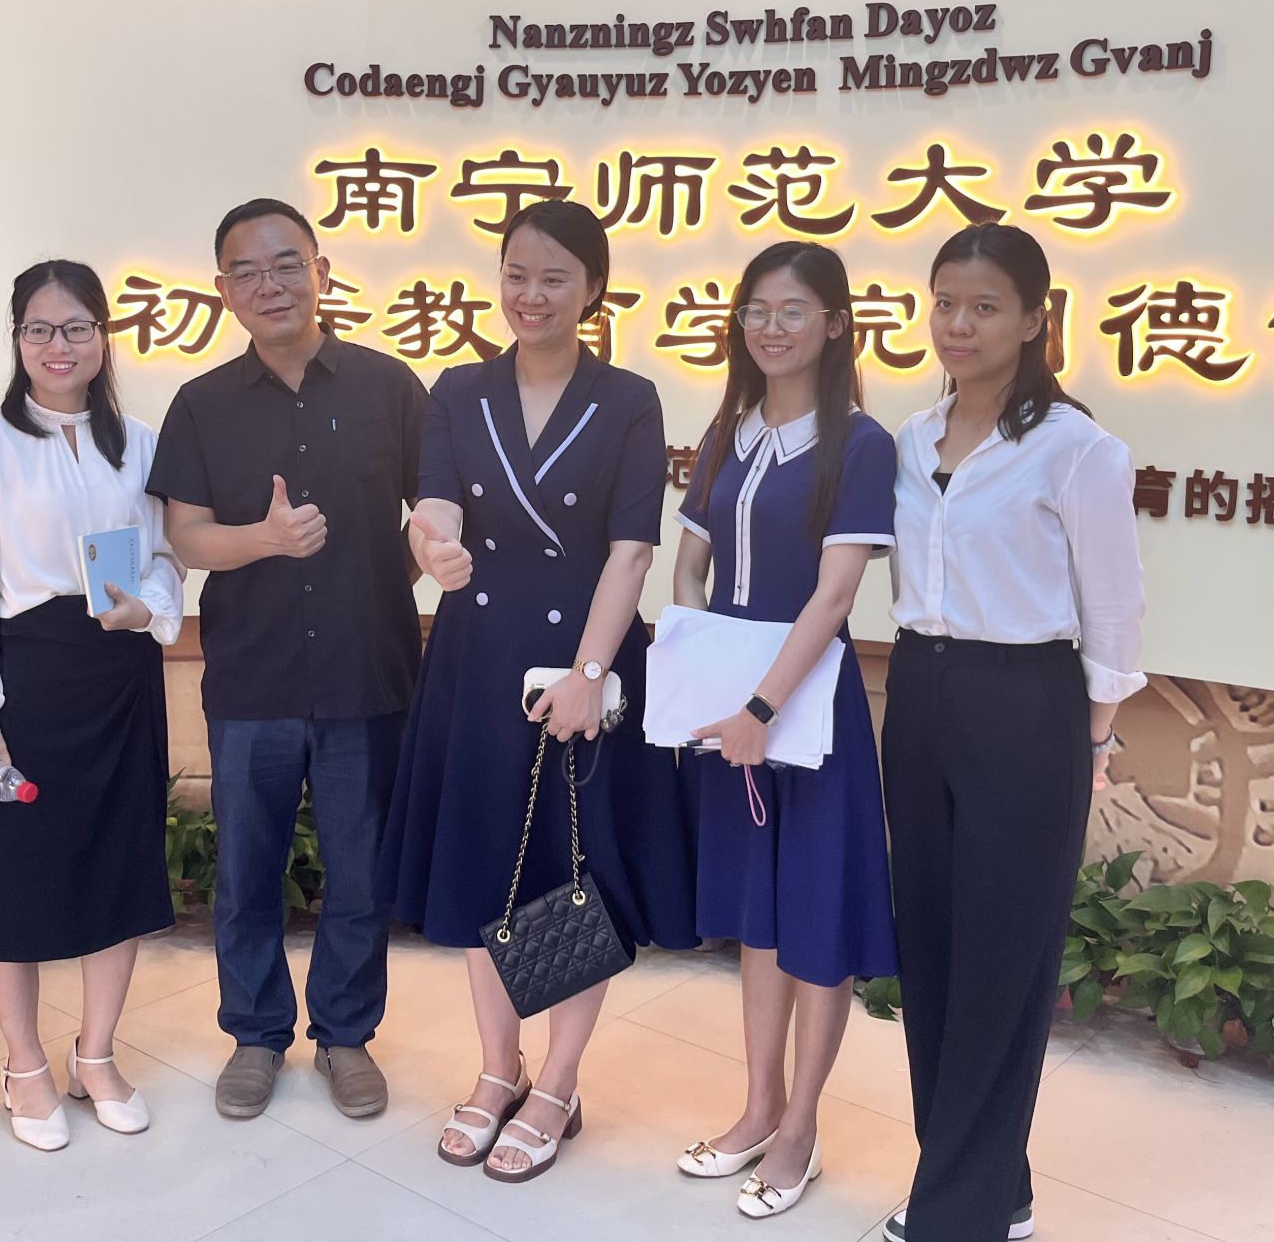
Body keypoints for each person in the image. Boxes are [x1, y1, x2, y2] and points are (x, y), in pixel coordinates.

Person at [387, 199, 698, 1182]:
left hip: (583, 659)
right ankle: (497, 1070)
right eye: (516, 274)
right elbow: (435, 503)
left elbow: (630, 549)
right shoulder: (459, 389)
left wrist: (591, 675)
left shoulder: (628, 399)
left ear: (592, 290)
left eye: (554, 278)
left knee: (574, 874)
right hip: (478, 658)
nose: (531, 294)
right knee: (485, 862)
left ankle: (557, 1083)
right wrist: (431, 545)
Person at [878, 224, 1145, 1242]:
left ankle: (959, 1211)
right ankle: (993, 1181)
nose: (958, 324)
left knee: (1003, 957)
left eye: (984, 307)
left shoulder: (1075, 448)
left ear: (1034, 319)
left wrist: (1093, 738)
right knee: (933, 949)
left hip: (1027, 705)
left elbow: (1113, 606)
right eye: (944, 302)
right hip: (919, 693)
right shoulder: (909, 439)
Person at [147, 198, 426, 1122]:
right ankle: (256, 1035)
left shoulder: (389, 387)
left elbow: (433, 510)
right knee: (246, 872)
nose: (269, 284)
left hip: (366, 670)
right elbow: (186, 535)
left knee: (359, 870)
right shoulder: (202, 405)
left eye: (285, 264)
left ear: (321, 271)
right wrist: (263, 540)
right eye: (247, 271)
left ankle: (345, 1035)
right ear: (223, 290)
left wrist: (412, 565)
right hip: (252, 677)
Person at [668, 241, 900, 1220]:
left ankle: (801, 1125)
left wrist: (762, 703)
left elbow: (835, 593)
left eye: (793, 310)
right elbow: (688, 565)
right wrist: (704, 669)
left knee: (814, 916)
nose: (770, 327)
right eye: (756, 309)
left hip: (808, 711)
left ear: (835, 325)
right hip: (734, 711)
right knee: (756, 917)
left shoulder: (861, 445)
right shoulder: (727, 431)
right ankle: (758, 1106)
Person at [0, 260, 184, 1151]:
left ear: (103, 337)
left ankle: (96, 1054)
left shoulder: (140, 442)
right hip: (29, 680)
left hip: (121, 674)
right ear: (17, 339)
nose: (59, 345)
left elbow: (165, 556)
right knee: (23, 878)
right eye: (39, 328)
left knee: (121, 868)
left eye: (77, 327)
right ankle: (23, 1065)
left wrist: (147, 608)